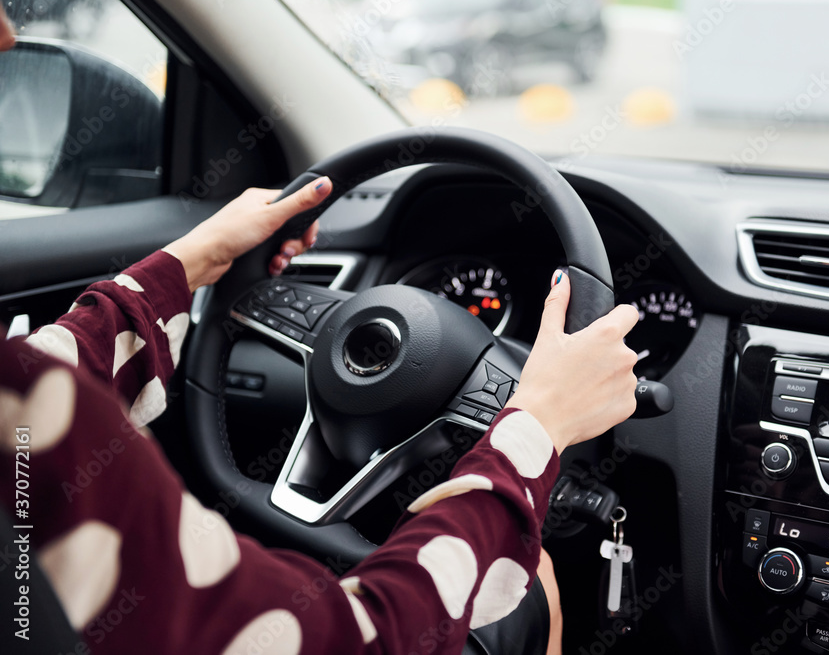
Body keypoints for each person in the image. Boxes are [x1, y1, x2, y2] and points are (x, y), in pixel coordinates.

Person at [0, 174, 640, 651]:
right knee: (527, 587)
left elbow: (36, 384)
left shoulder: (24, 403)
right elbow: (369, 638)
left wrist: (192, 261)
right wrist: (538, 425)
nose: (6, 29)